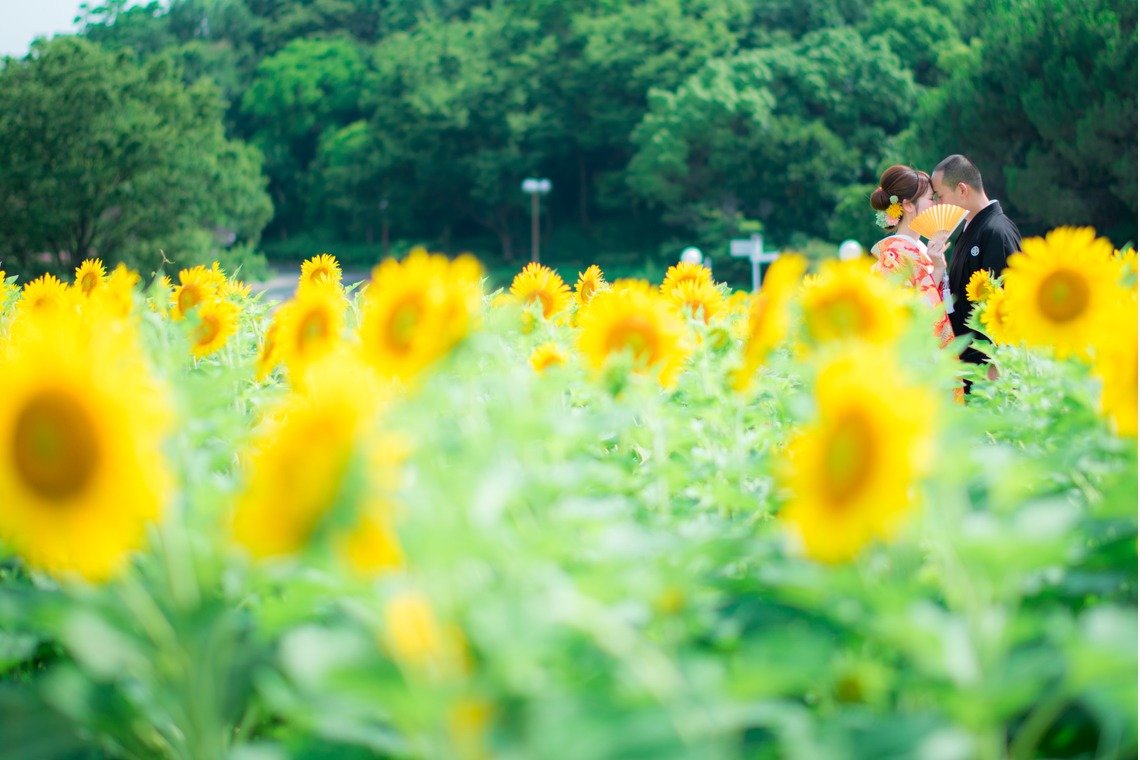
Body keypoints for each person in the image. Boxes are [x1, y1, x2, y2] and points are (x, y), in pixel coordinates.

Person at [930, 154, 1022, 382]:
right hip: (968, 368)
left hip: (988, 375)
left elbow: (1006, 308)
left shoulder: (996, 231)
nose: (937, 205)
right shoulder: (972, 229)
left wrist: (996, 372)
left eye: (940, 196)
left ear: (962, 190)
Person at [868, 165, 955, 349]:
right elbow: (906, 313)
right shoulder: (893, 255)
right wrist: (937, 271)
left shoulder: (920, 248)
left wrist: (938, 267)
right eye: (930, 198)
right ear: (908, 205)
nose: (935, 205)